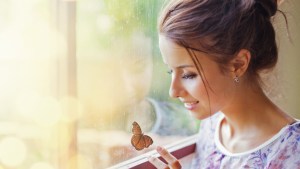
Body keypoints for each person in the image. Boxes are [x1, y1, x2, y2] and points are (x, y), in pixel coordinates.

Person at [148, 0, 300, 168]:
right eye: (170, 71)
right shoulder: (212, 126)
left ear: (238, 65)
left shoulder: (292, 152)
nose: (173, 92)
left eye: (188, 75)